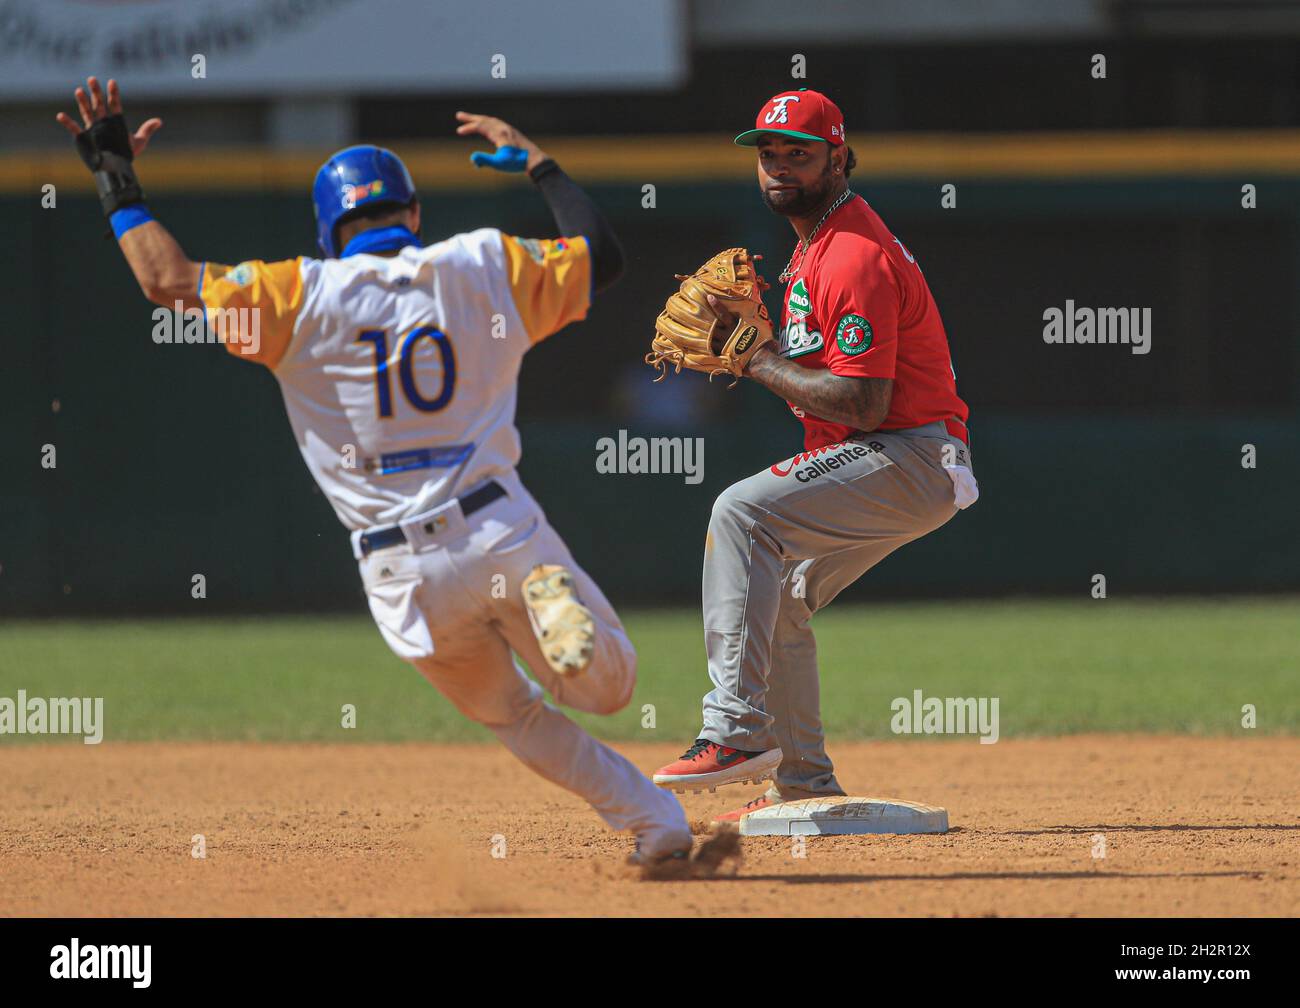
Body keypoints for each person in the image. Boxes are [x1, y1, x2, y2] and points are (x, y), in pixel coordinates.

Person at [58, 75, 728, 874]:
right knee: (606, 689)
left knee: (516, 716)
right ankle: (561, 623)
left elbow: (164, 280)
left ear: (328, 230)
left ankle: (655, 825)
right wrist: (541, 165)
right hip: (498, 529)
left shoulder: (295, 296)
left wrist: (116, 180)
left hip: (399, 574)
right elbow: (604, 258)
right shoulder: (481, 262)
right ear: (412, 214)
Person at [651, 89, 979, 823]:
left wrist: (756, 359)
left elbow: (864, 405)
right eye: (768, 153)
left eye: (799, 152)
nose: (778, 166)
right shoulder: (816, 247)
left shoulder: (853, 255)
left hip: (908, 454)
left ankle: (734, 732)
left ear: (839, 157)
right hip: (891, 456)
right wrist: (760, 359)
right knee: (785, 595)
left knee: (739, 514)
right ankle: (803, 782)